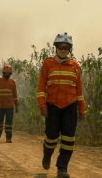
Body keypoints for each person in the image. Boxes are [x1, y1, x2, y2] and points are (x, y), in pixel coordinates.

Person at [36, 32, 86, 178]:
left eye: (66, 47)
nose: (63, 49)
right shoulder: (47, 63)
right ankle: (47, 154)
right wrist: (42, 105)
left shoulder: (75, 66)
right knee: (51, 137)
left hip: (70, 107)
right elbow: (40, 87)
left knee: (68, 138)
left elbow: (79, 91)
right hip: (52, 106)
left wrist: (82, 108)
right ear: (56, 47)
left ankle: (62, 168)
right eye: (60, 46)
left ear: (69, 49)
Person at [0, 65, 18, 143]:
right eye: (6, 73)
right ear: (3, 73)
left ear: (10, 73)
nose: (7, 75)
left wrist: (17, 105)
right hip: (0, 106)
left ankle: (8, 138)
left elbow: (15, 95)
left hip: (10, 106)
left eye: (9, 73)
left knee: (9, 123)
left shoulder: (12, 83)